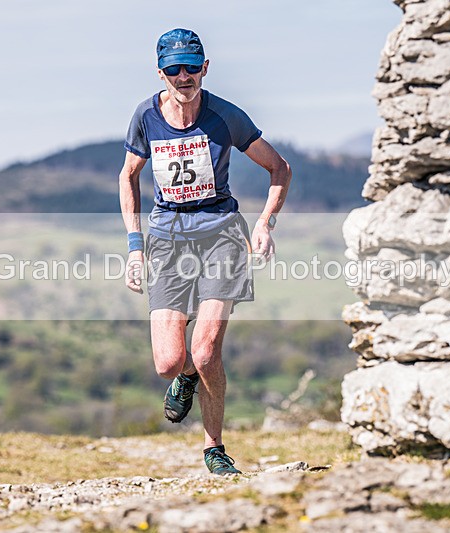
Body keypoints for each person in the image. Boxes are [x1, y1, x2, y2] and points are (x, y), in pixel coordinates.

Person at [118, 28, 291, 475]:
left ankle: (214, 448)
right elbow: (128, 177)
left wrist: (265, 223)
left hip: (220, 236)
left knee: (208, 349)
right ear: (160, 72)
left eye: (192, 67)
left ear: (205, 68)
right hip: (167, 239)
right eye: (174, 68)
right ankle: (186, 375)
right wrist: (135, 247)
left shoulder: (224, 116)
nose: (183, 75)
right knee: (169, 362)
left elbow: (279, 168)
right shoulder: (145, 117)